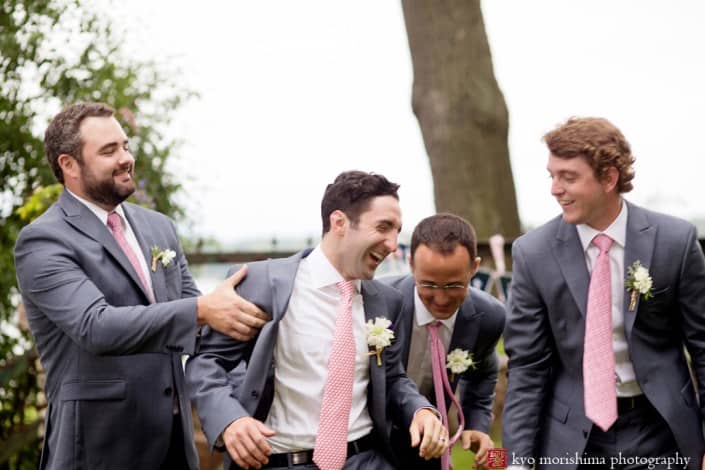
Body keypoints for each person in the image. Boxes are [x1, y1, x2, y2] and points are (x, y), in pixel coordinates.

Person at [14, 102, 269, 470]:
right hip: (99, 450)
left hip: (174, 448)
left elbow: (200, 335)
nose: (125, 158)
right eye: (108, 151)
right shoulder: (44, 241)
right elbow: (96, 326)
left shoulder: (158, 228)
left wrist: (239, 407)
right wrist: (201, 310)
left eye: (125, 146)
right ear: (69, 165)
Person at [186, 171, 449, 470]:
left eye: (397, 230)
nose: (392, 244)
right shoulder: (261, 284)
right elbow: (207, 361)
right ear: (339, 223)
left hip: (366, 460)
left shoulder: (387, 300)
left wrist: (421, 411)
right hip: (279, 462)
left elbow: (392, 378)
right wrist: (229, 419)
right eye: (383, 227)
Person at [502, 117, 705, 470]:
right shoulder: (532, 253)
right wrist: (518, 462)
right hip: (573, 439)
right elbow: (527, 367)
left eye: (568, 177)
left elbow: (703, 347)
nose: (554, 189)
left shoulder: (676, 242)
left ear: (609, 178)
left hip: (661, 430)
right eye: (552, 175)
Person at [382, 213, 505, 470]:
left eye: (453, 286)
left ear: (474, 267)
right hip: (372, 442)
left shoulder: (489, 316)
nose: (440, 299)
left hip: (431, 448)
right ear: (411, 264)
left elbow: (483, 373)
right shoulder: (379, 303)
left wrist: (475, 425)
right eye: (428, 284)